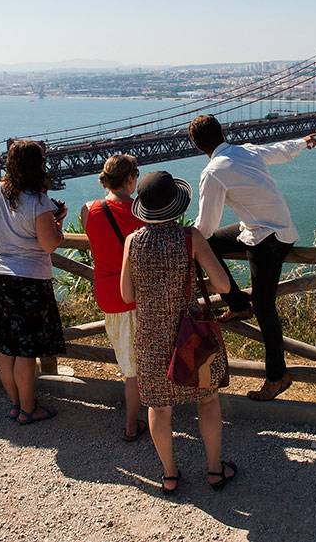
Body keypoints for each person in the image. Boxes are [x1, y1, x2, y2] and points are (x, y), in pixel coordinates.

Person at [188, 114, 316, 402]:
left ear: (197, 146)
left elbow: (206, 227)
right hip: (273, 227)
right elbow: (278, 150)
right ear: (222, 133)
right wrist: (303, 142)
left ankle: (277, 376)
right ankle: (237, 304)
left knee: (264, 306)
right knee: (207, 244)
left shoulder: (212, 171)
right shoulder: (245, 150)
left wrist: (185, 239)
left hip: (268, 239)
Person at [120, 170, 236, 494]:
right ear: (175, 204)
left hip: (150, 338)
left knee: (159, 408)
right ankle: (214, 471)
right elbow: (223, 285)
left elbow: (128, 296)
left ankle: (170, 475)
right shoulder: (190, 238)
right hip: (190, 337)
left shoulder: (133, 241)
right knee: (208, 400)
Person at [0, 140, 66, 424]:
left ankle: (16, 404)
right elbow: (49, 245)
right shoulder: (38, 201)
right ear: (38, 166)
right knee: (25, 350)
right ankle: (29, 410)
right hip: (30, 280)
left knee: (6, 347)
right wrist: (59, 226)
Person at [81, 154, 146, 441]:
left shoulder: (88, 209)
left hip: (108, 295)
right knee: (142, 366)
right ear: (131, 179)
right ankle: (133, 424)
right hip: (138, 294)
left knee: (129, 364)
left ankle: (138, 420)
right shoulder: (142, 211)